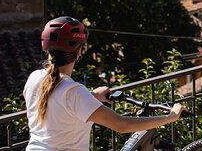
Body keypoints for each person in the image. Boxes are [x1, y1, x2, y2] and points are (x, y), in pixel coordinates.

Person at [23, 16, 185, 150]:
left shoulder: (35, 79)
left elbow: (59, 105)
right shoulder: (74, 92)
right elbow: (122, 124)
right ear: (79, 51)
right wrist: (171, 117)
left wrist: (92, 96)